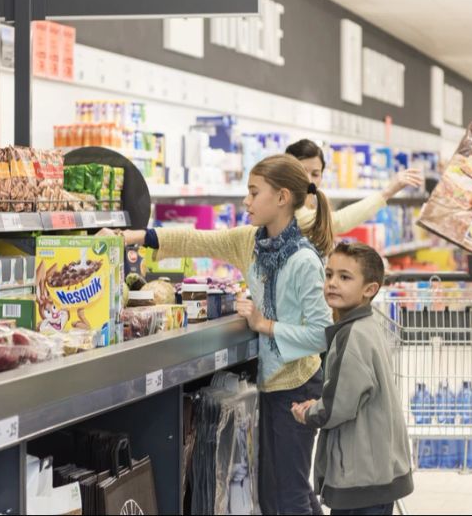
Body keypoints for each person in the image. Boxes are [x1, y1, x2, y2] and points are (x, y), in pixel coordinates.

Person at [101, 154, 334, 515]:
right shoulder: (250, 242)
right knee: (279, 494)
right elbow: (197, 240)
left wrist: (264, 324)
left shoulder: (304, 260)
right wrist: (133, 236)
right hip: (273, 385)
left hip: (299, 388)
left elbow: (320, 335)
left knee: (287, 497)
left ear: (283, 197)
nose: (246, 201)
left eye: (255, 192)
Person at [291, 242, 413, 516]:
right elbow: (352, 391)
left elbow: (338, 407)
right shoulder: (366, 326)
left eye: (345, 277)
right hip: (378, 468)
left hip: (362, 476)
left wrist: (309, 413)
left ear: (370, 289)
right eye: (329, 274)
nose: (333, 283)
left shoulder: (352, 335)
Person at [285, 139, 424, 229]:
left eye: (315, 174)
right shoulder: (285, 209)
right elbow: (338, 221)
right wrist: (387, 192)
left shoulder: (313, 204)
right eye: (302, 172)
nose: (309, 180)